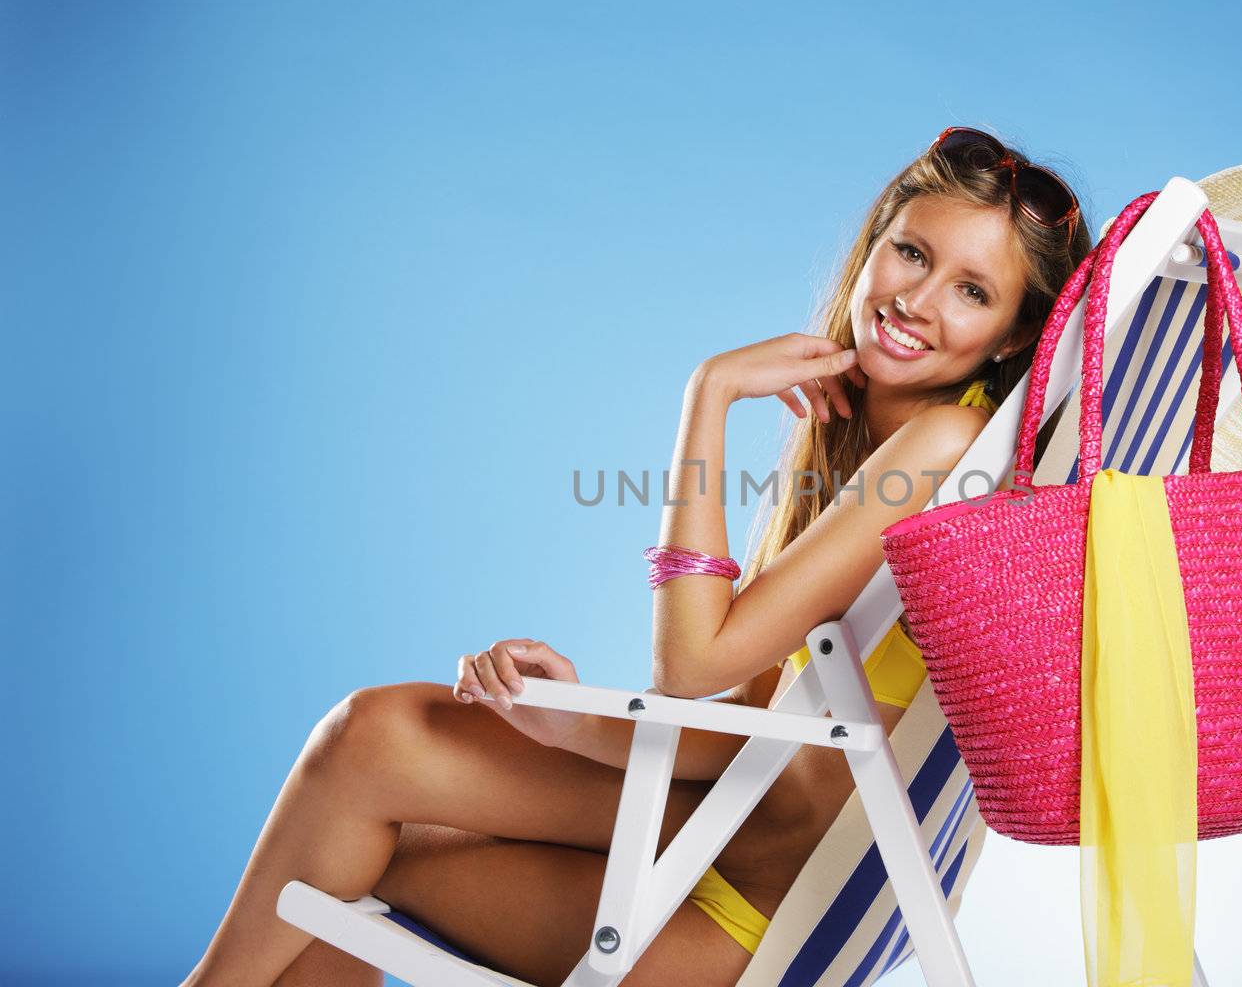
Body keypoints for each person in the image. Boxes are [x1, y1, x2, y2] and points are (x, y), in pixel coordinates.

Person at [181, 126, 1092, 987]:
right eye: (913, 254)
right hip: (716, 837)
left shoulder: (943, 443)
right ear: (874, 246)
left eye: (973, 291)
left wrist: (713, 389)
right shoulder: (870, 442)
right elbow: (745, 719)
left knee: (363, 760)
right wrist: (569, 725)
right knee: (347, 834)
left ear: (1014, 335)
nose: (918, 301)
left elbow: (690, 666)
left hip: (737, 919)